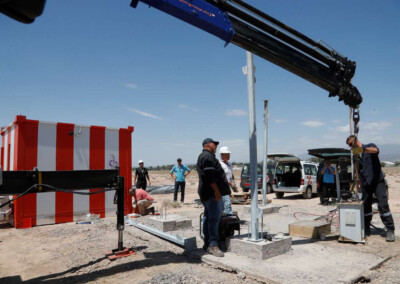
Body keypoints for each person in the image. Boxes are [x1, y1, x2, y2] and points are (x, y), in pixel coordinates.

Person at [346, 135, 395, 242]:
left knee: (383, 205)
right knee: (366, 207)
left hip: (378, 181)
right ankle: (366, 228)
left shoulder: (369, 147)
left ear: (355, 141)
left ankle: (390, 230)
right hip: (366, 184)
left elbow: (376, 150)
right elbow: (359, 172)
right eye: (349, 146)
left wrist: (363, 148)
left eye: (350, 144)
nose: (350, 147)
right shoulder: (357, 156)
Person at [196, 138, 231, 257]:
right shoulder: (207, 157)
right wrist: (217, 192)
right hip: (211, 194)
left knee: (208, 216)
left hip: (207, 193)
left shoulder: (206, 156)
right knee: (214, 219)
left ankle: (207, 243)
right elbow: (210, 177)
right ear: (208, 145)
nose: (216, 147)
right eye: (214, 145)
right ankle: (213, 245)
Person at [219, 146, 238, 216]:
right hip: (222, 188)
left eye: (229, 154)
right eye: (227, 154)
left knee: (223, 205)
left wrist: (233, 183)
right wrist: (230, 183)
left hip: (228, 188)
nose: (228, 156)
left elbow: (232, 175)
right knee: (227, 204)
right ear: (222, 155)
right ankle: (230, 217)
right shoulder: (219, 164)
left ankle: (222, 218)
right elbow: (221, 177)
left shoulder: (230, 164)